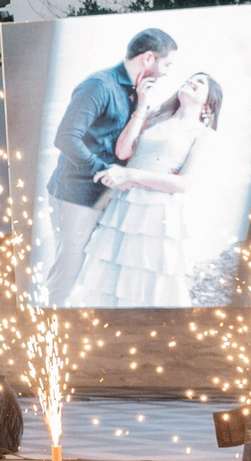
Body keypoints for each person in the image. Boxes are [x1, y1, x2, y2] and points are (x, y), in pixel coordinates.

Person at [68, 71, 224, 308]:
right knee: (112, 276)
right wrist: (141, 106)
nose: (191, 80)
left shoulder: (203, 135)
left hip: (158, 212)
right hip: (124, 205)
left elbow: (183, 183)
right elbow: (123, 152)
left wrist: (129, 175)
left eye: (200, 82)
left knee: (147, 278)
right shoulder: (155, 118)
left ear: (209, 103)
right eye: (190, 77)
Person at [44, 29, 177, 305]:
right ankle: (48, 326)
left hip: (104, 196)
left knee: (87, 269)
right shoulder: (99, 85)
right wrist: (105, 172)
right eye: (167, 64)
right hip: (76, 195)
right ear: (149, 58)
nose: (167, 72)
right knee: (69, 266)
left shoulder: (139, 92)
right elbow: (66, 138)